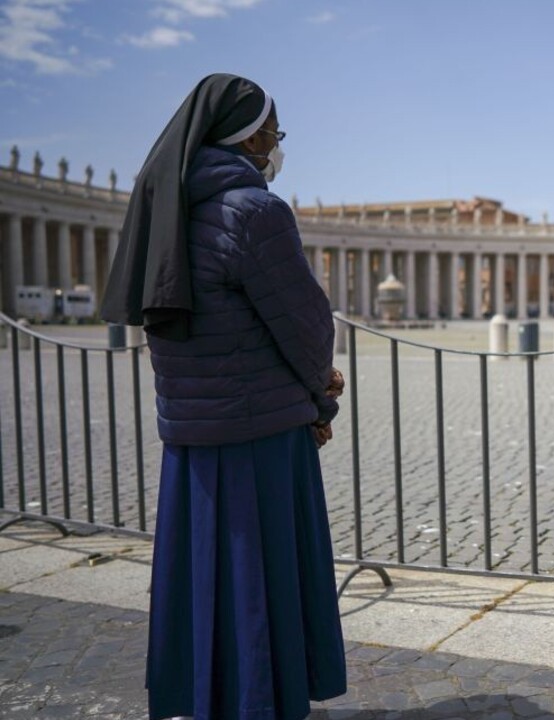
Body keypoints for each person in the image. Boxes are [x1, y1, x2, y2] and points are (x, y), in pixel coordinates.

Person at [101, 74, 347, 720]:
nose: (277, 145)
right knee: (263, 591)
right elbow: (306, 326)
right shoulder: (255, 211)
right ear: (249, 135)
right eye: (275, 131)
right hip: (261, 439)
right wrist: (319, 402)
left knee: (210, 589)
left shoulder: (166, 209)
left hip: (192, 445)